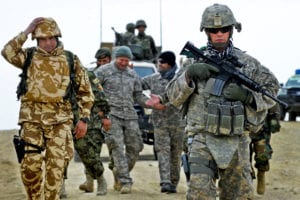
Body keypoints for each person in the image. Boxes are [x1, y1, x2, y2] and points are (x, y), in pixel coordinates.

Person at [162, 4, 280, 199]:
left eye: (224, 29)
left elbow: (272, 90)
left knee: (239, 195)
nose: (219, 34)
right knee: (200, 193)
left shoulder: (248, 64)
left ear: (232, 30)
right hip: (201, 137)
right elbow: (172, 97)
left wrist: (248, 97)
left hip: (237, 139)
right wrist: (189, 76)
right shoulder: (192, 62)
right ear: (206, 32)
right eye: (213, 30)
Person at [1, 17, 94, 200]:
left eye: (52, 38)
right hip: (32, 120)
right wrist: (27, 31)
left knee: (56, 169)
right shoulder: (28, 56)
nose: (48, 42)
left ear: (57, 38)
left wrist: (84, 119)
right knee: (30, 166)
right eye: (43, 38)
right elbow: (7, 51)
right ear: (37, 40)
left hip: (60, 121)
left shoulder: (70, 59)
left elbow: (85, 92)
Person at [94, 46, 162, 194]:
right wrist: (100, 113)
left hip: (130, 115)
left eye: (126, 60)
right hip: (111, 115)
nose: (124, 63)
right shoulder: (103, 72)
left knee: (136, 146)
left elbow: (138, 95)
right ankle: (125, 181)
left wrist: (150, 103)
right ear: (115, 58)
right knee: (117, 147)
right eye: (121, 60)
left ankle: (120, 171)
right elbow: (92, 92)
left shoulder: (132, 74)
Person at [141, 51, 186, 193]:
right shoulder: (153, 79)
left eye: (162, 62)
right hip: (160, 122)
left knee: (176, 153)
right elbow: (136, 87)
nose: (159, 65)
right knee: (162, 151)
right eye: (158, 62)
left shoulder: (180, 79)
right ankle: (165, 181)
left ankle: (173, 182)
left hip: (178, 122)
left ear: (170, 64)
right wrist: (149, 104)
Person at [73, 47, 112, 196]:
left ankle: (99, 179)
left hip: (91, 118)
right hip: (67, 120)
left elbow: (100, 96)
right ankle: (62, 185)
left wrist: (104, 117)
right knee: (68, 152)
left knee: (90, 151)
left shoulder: (87, 75)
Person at [250, 103, 281, 195]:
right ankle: (247, 183)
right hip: (245, 130)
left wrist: (274, 118)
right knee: (244, 159)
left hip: (262, 131)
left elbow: (273, 104)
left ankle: (261, 174)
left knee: (263, 154)